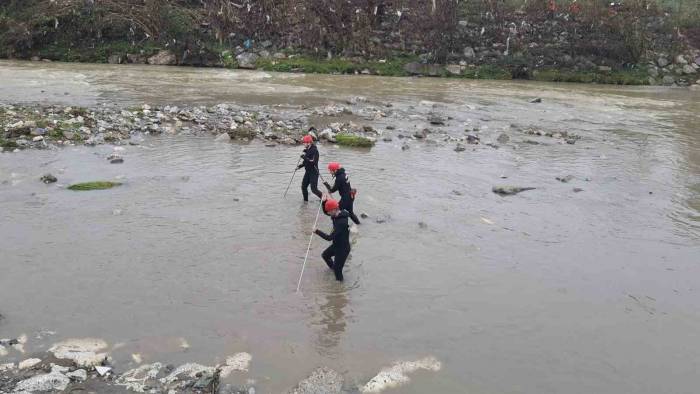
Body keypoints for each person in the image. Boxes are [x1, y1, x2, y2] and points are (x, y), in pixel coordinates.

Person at [314, 198, 351, 281]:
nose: (328, 214)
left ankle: (340, 289)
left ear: (334, 209)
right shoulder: (336, 214)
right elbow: (326, 212)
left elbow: (329, 238)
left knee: (338, 271)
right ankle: (334, 268)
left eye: (329, 212)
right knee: (325, 255)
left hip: (343, 249)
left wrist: (317, 231)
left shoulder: (341, 223)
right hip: (336, 245)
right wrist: (323, 202)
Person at [298, 135, 322, 202]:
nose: (303, 144)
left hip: (314, 172)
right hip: (308, 172)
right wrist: (300, 166)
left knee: (314, 189)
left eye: (304, 143)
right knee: (303, 187)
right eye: (303, 142)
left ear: (309, 143)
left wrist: (304, 157)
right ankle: (305, 202)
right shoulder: (307, 150)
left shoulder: (315, 151)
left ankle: (323, 198)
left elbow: (313, 162)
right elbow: (306, 162)